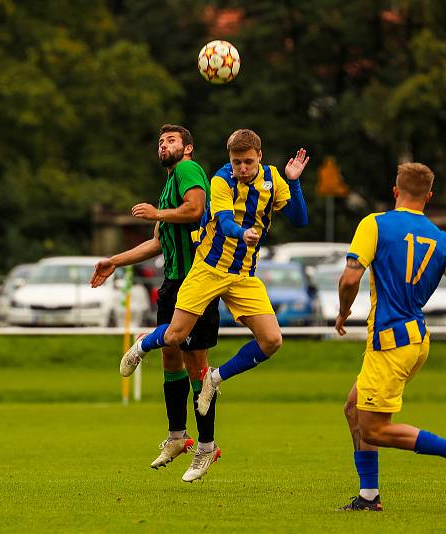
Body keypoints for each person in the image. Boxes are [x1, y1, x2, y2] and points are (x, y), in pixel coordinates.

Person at [119, 129, 309, 481]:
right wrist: (243, 233)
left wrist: (294, 182)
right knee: (175, 336)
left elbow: (300, 219)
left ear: (260, 156)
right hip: (208, 269)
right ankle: (145, 343)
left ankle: (216, 380)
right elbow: (222, 221)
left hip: (244, 276)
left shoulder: (273, 179)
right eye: (237, 162)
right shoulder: (220, 180)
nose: (242, 169)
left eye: (248, 162)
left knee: (272, 341)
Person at [335, 162, 446, 511]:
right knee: (353, 408)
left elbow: (348, 279)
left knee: (373, 430)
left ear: (395, 190)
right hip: (416, 341)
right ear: (429, 196)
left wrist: (343, 311)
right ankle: (369, 497)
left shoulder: (375, 224)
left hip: (390, 342)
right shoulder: (444, 240)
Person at [91, 124, 222, 481]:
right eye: (161, 141)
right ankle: (178, 437)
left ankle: (207, 448)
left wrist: (156, 214)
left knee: (197, 364)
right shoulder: (169, 185)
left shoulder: (187, 170)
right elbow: (158, 242)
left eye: (172, 140)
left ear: (188, 147)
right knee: (171, 355)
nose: (164, 145)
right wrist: (115, 260)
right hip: (173, 281)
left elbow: (195, 210)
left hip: (198, 281)